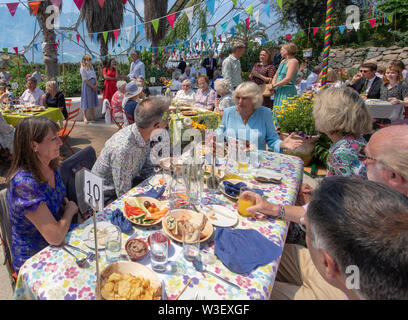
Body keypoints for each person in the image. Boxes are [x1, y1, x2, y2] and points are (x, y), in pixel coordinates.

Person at [6, 116, 78, 274]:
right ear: (34, 145)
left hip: (59, 239)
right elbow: (55, 237)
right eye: (53, 139)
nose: (60, 142)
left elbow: (56, 196)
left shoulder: (51, 164)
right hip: (35, 257)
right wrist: (70, 211)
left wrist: (64, 202)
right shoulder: (24, 184)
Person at [92, 96, 170, 204]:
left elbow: (147, 169)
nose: (167, 123)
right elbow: (123, 194)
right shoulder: (123, 150)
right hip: (105, 199)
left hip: (126, 186)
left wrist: (160, 183)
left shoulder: (144, 132)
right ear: (156, 126)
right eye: (167, 120)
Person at [217, 81, 303, 152]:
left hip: (256, 160)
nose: (239, 102)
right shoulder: (228, 112)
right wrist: (213, 136)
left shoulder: (265, 113)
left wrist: (282, 144)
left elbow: (272, 139)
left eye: (244, 98)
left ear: (255, 99)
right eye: (237, 97)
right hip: (232, 158)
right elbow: (220, 131)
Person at [271, 43, 299, 108]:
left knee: (284, 111)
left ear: (287, 51)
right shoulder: (283, 61)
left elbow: (288, 78)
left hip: (287, 91)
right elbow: (276, 75)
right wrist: (273, 85)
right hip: (279, 90)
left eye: (282, 50)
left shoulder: (293, 62)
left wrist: (274, 85)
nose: (280, 52)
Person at [80, 54, 98, 124]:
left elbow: (95, 76)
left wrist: (96, 84)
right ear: (84, 60)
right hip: (87, 85)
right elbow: (85, 80)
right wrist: (92, 86)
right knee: (86, 100)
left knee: (92, 100)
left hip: (93, 84)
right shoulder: (82, 68)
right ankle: (85, 117)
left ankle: (93, 116)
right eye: (89, 59)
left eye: (90, 59)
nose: (90, 61)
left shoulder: (91, 67)